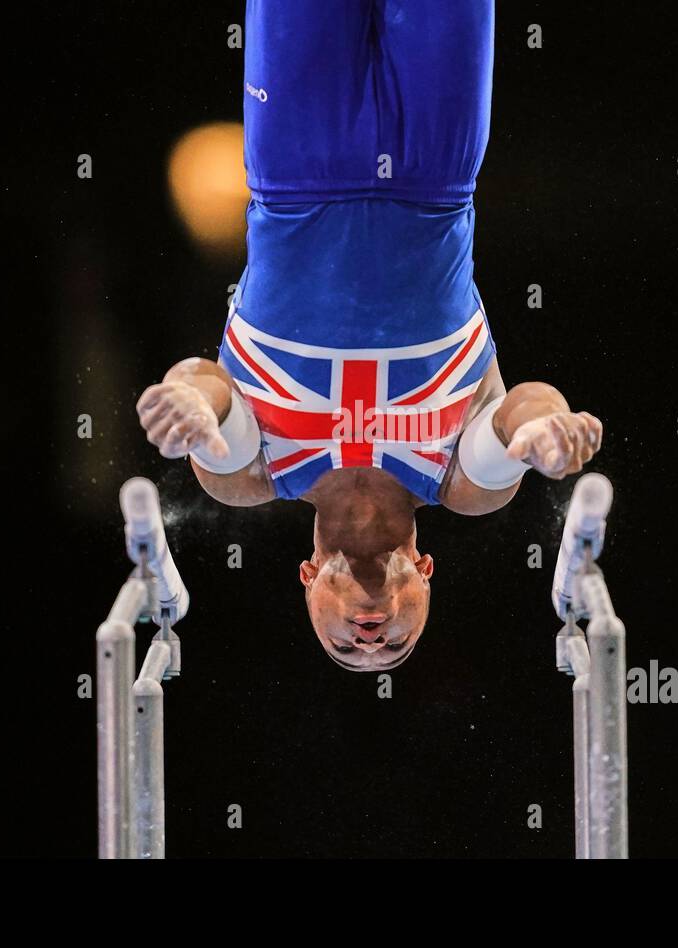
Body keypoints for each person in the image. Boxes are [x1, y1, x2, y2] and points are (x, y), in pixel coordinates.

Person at [137, 0, 602, 670]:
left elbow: (211, 393)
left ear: (306, 578)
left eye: (344, 643)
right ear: (426, 571)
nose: (370, 637)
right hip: (433, 168)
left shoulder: (252, 474)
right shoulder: (463, 483)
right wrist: (547, 428)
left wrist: (186, 396)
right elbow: (517, 417)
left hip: (297, 162)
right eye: (395, 642)